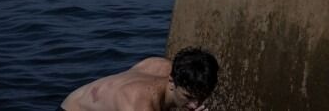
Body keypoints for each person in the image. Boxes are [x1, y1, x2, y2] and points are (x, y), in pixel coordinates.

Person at [61, 48, 218, 111]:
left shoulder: (163, 66)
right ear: (172, 81)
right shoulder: (139, 102)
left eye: (202, 97)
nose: (196, 105)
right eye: (189, 97)